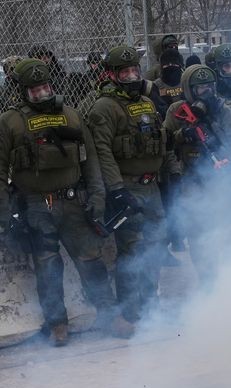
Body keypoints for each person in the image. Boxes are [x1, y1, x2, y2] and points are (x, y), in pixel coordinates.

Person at [0, 59, 126, 345]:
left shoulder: (70, 115)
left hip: (73, 203)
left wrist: (97, 196)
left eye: (45, 87)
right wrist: (4, 215)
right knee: (47, 267)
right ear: (22, 91)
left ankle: (109, 314)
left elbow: (91, 159)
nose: (42, 93)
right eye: (34, 89)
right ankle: (58, 324)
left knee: (90, 260)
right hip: (35, 207)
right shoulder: (9, 122)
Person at [87, 45, 181, 328]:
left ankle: (150, 306)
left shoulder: (147, 102)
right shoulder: (104, 107)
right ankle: (130, 314)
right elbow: (102, 151)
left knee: (154, 248)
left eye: (134, 70)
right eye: (124, 71)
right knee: (131, 252)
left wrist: (171, 173)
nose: (131, 75)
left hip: (152, 188)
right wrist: (117, 189)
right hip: (127, 189)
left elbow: (160, 141)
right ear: (112, 75)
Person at [162, 65, 231, 281]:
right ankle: (207, 278)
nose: (206, 91)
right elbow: (165, 141)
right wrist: (182, 134)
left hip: (219, 177)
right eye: (200, 87)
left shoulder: (223, 109)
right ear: (188, 89)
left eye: (209, 86)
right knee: (197, 231)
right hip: (190, 178)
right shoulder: (177, 110)